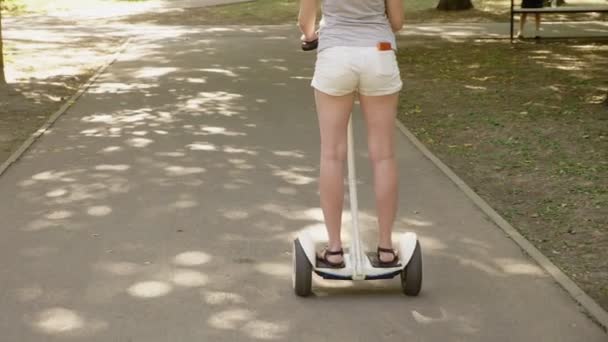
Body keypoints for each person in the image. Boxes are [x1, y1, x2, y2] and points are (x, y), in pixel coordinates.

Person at [298, 0, 404, 268]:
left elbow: (305, 20)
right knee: (383, 156)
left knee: (332, 154)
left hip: (336, 55)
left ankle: (334, 250)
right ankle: (386, 248)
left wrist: (310, 36)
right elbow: (398, 22)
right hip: (378, 52)